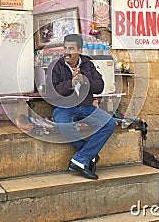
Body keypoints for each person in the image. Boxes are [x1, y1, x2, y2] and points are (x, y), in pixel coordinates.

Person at [46, 34, 116, 180]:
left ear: (79, 50)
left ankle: (80, 159)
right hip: (64, 108)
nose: (67, 52)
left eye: (71, 48)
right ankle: (89, 156)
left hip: (86, 107)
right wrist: (70, 84)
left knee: (109, 123)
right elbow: (51, 94)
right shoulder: (56, 65)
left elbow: (100, 86)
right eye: (65, 48)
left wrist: (85, 80)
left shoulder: (88, 64)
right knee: (63, 123)